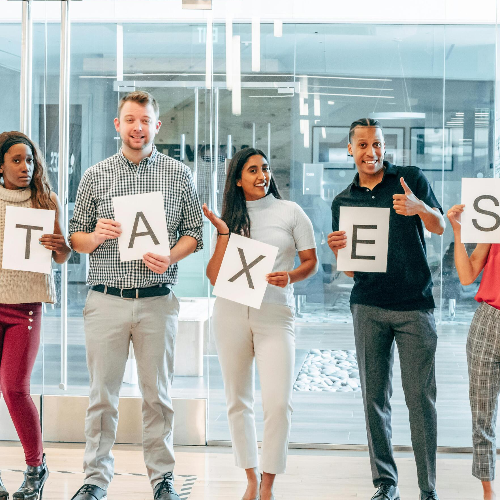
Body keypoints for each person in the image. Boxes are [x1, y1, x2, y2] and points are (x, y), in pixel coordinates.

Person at [68, 91, 203, 500]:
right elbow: (76, 237)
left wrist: (171, 255)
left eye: (145, 120)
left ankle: (162, 480)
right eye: (130, 119)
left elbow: (194, 233)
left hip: (157, 300)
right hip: (106, 299)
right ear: (118, 125)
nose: (137, 127)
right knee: (101, 398)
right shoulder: (95, 175)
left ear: (156, 126)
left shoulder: (178, 175)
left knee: (157, 396)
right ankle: (94, 480)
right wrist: (95, 236)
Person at [328, 118, 445, 500]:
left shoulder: (409, 179)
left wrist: (419, 207)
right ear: (351, 149)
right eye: (363, 145)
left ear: (384, 146)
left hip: (414, 307)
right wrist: (337, 250)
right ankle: (385, 483)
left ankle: (428, 489)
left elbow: (441, 226)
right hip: (368, 306)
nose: (371, 152)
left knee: (420, 399)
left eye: (377, 144)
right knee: (374, 400)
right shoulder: (343, 201)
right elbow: (349, 269)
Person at [203, 147, 318, 500]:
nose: (261, 175)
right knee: (238, 400)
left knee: (279, 403)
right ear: (238, 180)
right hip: (231, 311)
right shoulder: (230, 219)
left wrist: (291, 276)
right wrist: (224, 234)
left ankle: (269, 484)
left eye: (264, 168)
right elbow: (213, 276)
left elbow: (310, 261)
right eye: (252, 170)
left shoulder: (291, 212)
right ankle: (251, 479)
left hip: (275, 313)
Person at [0, 131, 71, 499]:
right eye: (16, 160)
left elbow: (62, 256)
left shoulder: (46, 200)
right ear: (1, 166)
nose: (24, 167)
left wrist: (63, 246)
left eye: (29, 160)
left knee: (15, 389)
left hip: (25, 307)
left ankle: (35, 468)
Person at [447, 203, 499, 500]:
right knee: (483, 417)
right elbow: (467, 276)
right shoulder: (496, 221)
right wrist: (458, 231)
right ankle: (488, 492)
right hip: (487, 322)